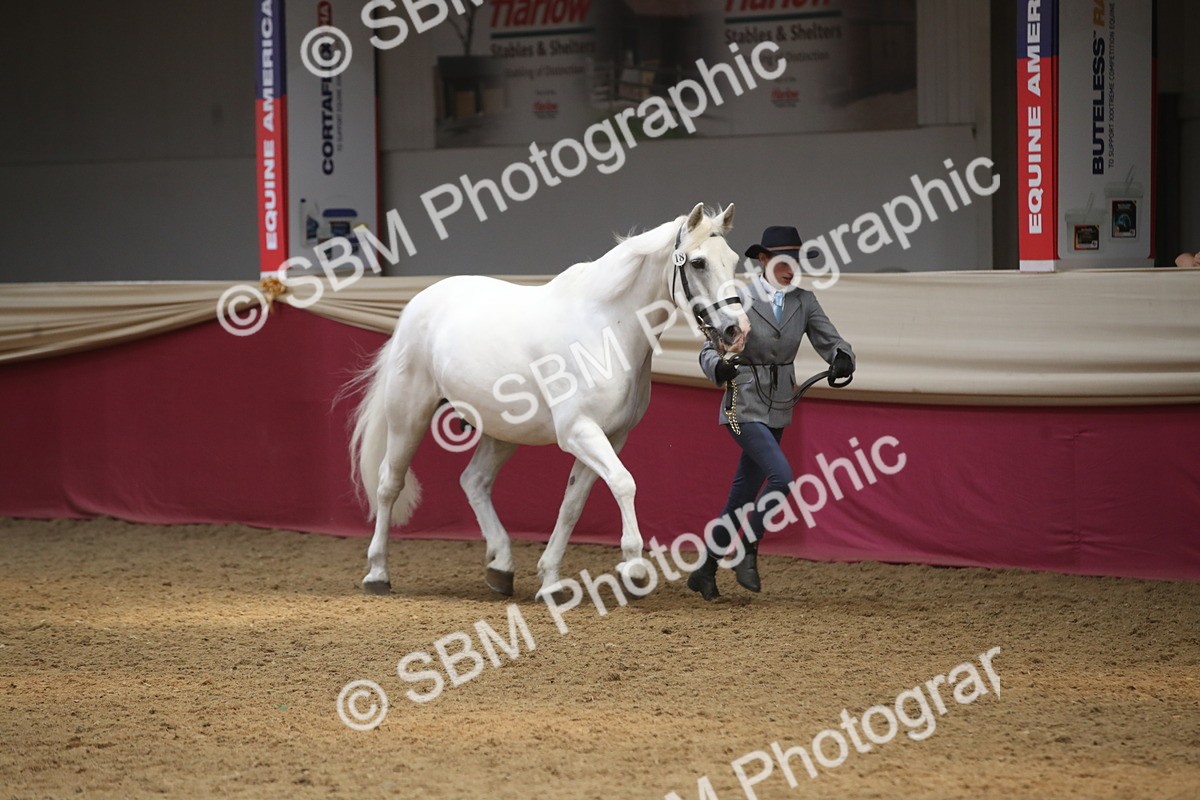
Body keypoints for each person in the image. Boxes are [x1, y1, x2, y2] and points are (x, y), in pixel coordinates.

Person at [689, 225, 856, 601]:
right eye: (783, 262)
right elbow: (709, 349)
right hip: (741, 402)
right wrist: (719, 367)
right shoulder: (739, 300)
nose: (790, 270)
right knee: (782, 477)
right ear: (763, 260)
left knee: (743, 494)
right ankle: (747, 547)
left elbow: (832, 341)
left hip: (778, 405)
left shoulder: (805, 301)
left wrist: (842, 357)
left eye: (795, 262)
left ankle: (705, 570)